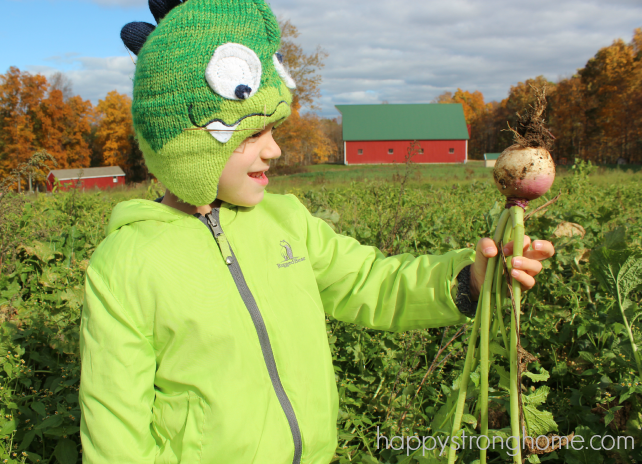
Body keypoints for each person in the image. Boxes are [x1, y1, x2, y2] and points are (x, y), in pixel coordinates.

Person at [79, 0, 555, 463]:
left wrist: (469, 279)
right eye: (252, 135)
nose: (275, 151)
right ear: (188, 147)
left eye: (274, 129)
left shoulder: (286, 220)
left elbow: (372, 282)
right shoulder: (129, 262)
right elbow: (115, 429)